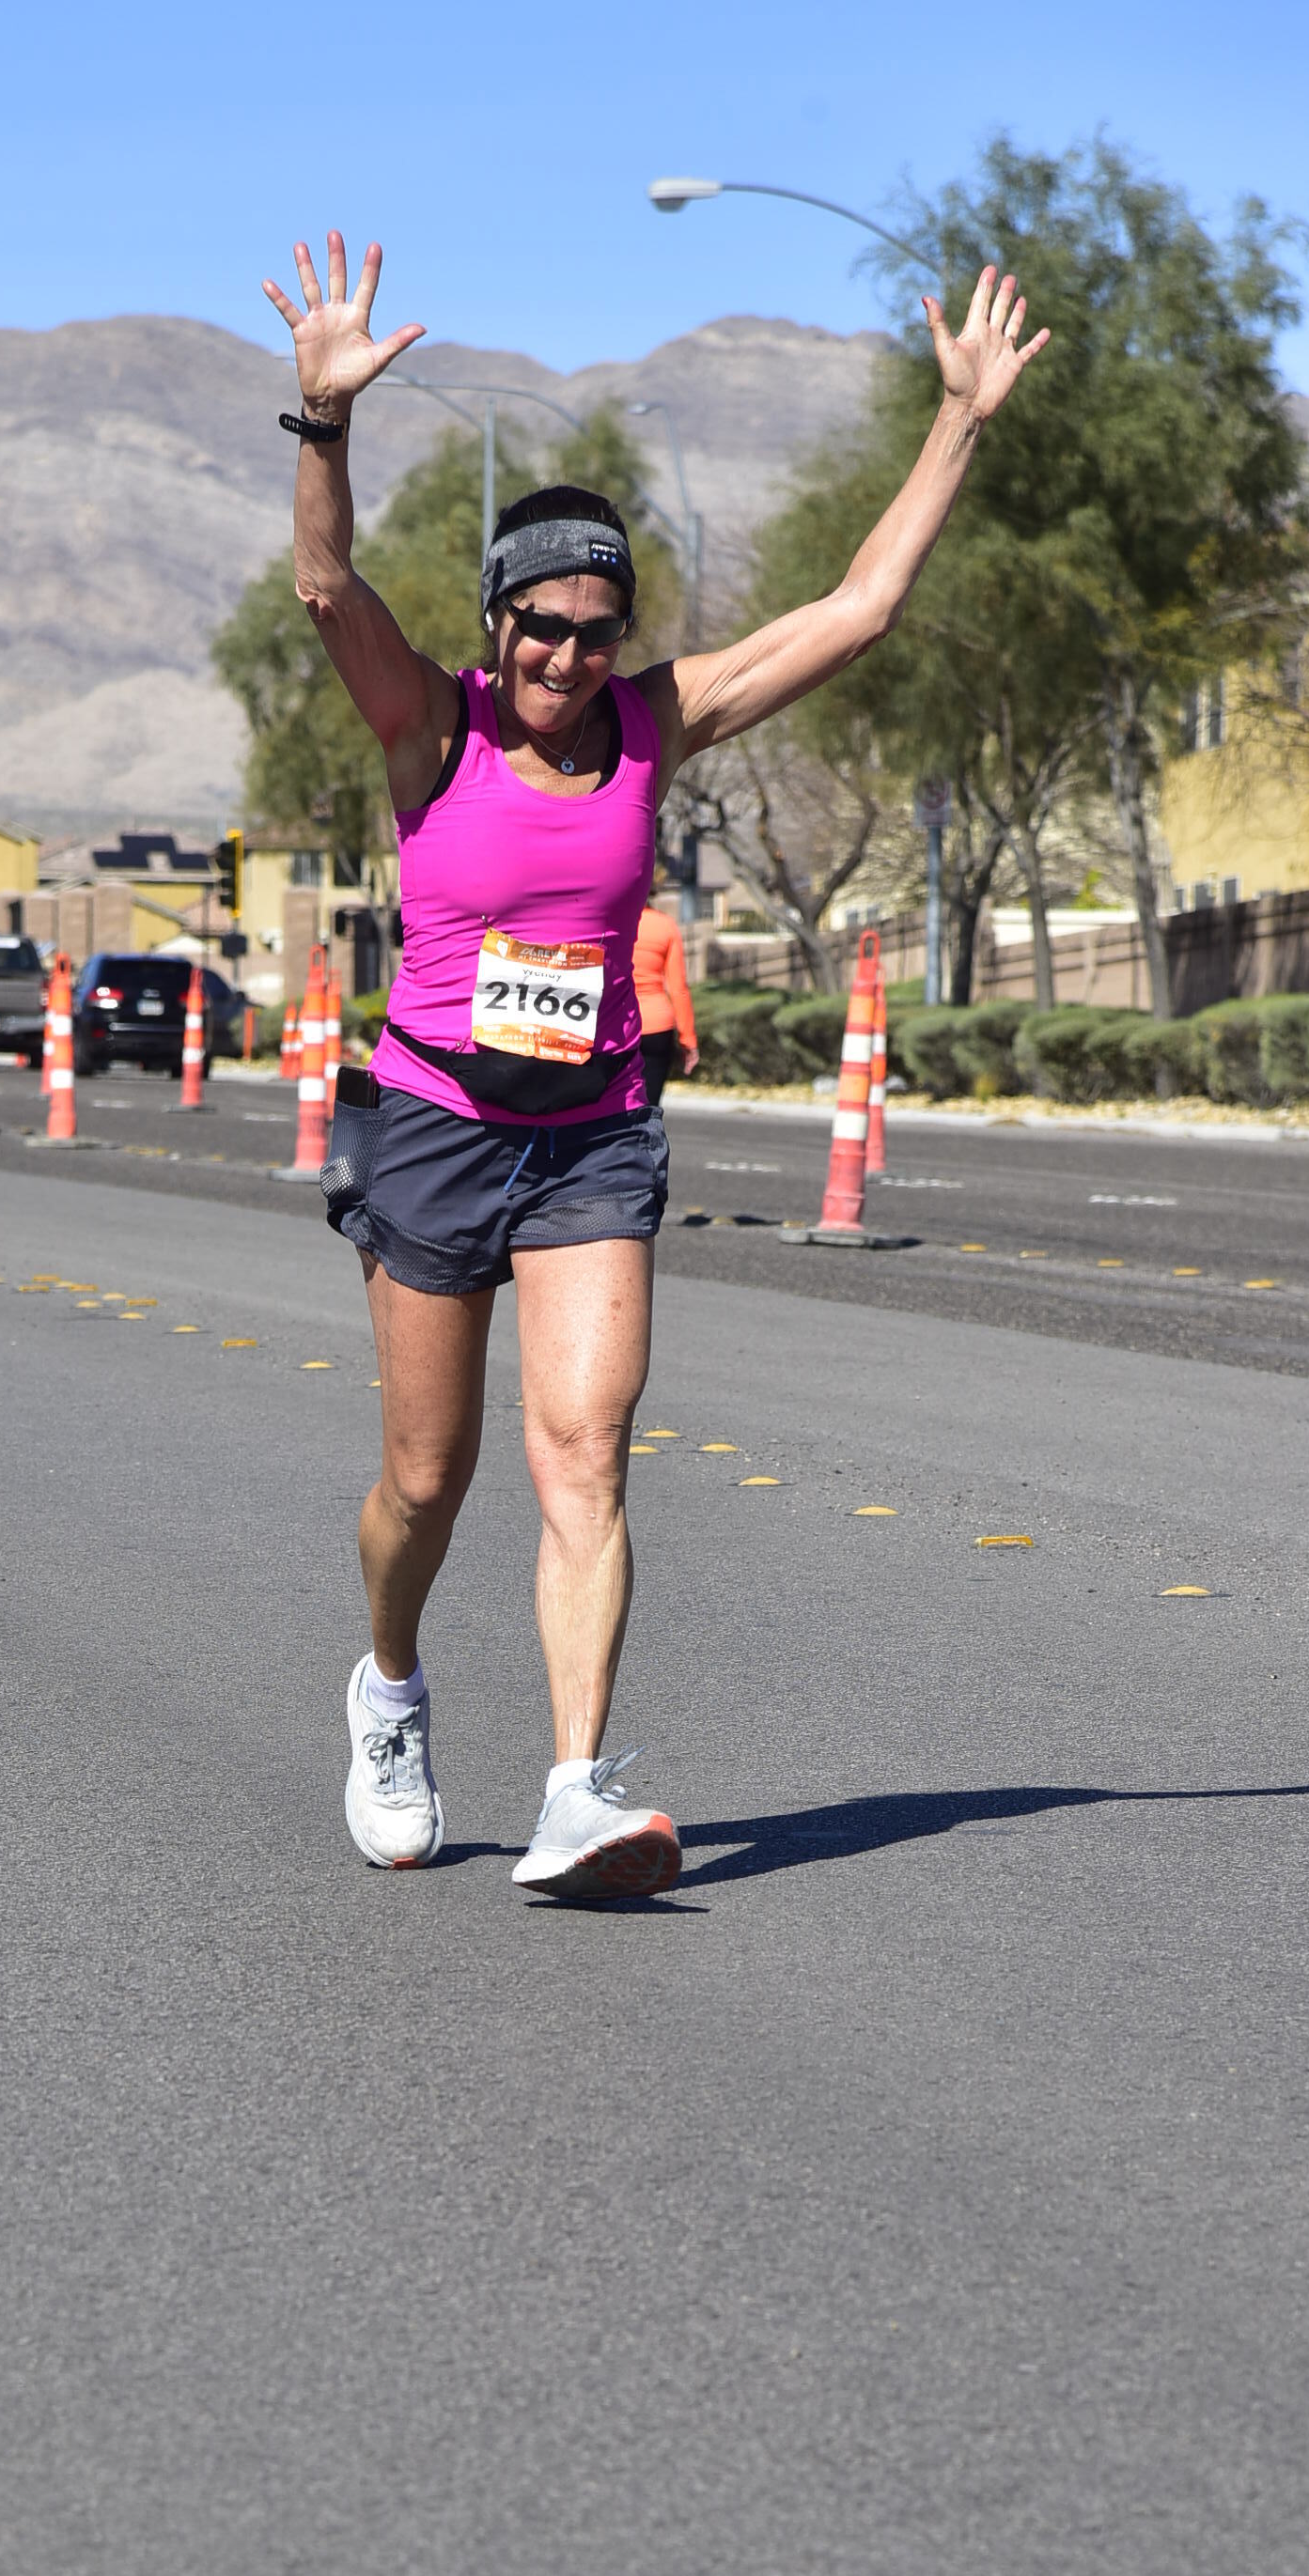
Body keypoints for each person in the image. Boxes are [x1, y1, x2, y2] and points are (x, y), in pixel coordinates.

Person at [265, 230, 1045, 1894]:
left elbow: (859, 609)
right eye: (542, 628)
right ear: (499, 623)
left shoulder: (653, 723)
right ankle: (388, 1687)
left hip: (594, 1135)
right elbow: (326, 587)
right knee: (426, 1478)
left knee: (585, 1453)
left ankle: (577, 1788)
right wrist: (324, 420)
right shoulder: (433, 726)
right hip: (433, 1122)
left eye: (598, 630)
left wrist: (960, 420)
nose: (567, 659)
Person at [631, 883, 699, 1105]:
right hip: (657, 1027)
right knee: (649, 1104)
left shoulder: (611, 922)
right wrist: (688, 1039)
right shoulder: (665, 926)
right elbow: (678, 988)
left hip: (617, 1026)